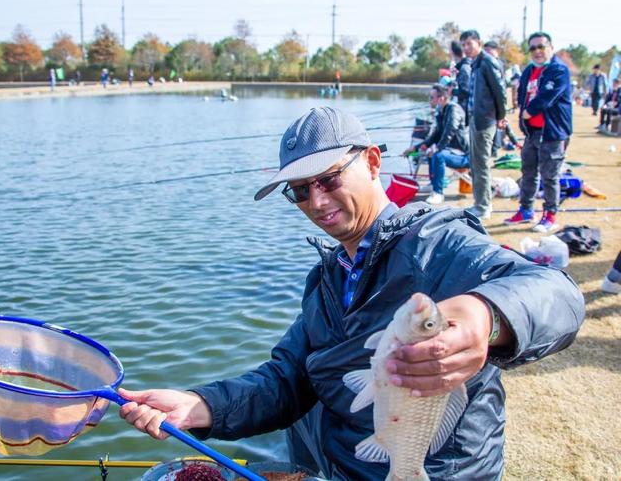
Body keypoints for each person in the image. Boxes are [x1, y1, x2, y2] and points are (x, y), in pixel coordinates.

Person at [118, 106, 584, 480]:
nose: (316, 202)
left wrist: (487, 315)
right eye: (299, 191)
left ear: (374, 162)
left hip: (439, 467)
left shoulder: (438, 243)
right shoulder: (328, 277)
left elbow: (556, 293)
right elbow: (289, 379)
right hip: (341, 465)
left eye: (328, 179)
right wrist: (201, 405)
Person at [504, 32, 573, 232]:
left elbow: (547, 97)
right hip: (532, 132)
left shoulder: (559, 70)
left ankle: (550, 215)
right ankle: (526, 210)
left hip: (552, 132)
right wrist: (522, 117)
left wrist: (528, 112)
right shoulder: (528, 71)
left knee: (550, 175)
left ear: (550, 47)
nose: (537, 52)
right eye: (533, 48)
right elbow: (522, 94)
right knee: (528, 172)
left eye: (541, 47)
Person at [461, 30, 508, 219]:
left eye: (469, 44)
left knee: (481, 164)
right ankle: (479, 203)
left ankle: (483, 206)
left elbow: (500, 90)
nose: (466, 48)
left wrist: (501, 116)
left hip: (485, 119)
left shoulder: (487, 61)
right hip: (475, 118)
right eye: (463, 45)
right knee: (475, 162)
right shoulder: (475, 63)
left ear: (479, 43)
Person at [406, 84, 469, 205]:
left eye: (431, 97)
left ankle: (438, 193)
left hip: (464, 155)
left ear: (441, 99)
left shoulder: (453, 109)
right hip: (452, 151)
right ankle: (433, 184)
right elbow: (435, 136)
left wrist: (437, 148)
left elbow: (450, 130)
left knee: (437, 155)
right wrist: (415, 148)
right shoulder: (441, 111)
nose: (429, 100)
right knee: (431, 151)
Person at [450, 40, 472, 124]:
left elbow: (466, 92)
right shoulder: (463, 67)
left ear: (453, 52)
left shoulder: (464, 68)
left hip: (466, 111)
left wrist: (451, 91)